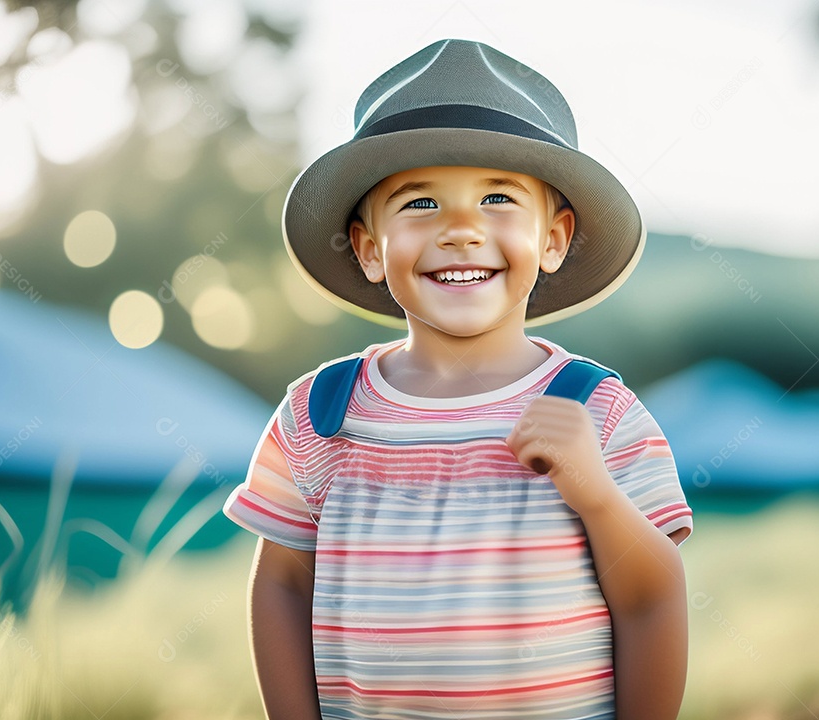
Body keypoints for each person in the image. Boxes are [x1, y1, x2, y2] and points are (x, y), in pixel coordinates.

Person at [222, 38, 693, 720]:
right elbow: (283, 588)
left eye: (498, 198)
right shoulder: (319, 414)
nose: (462, 230)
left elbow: (652, 597)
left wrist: (593, 492)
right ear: (368, 249)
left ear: (554, 240)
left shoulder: (600, 411)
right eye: (419, 204)